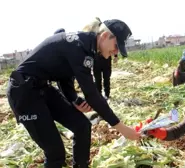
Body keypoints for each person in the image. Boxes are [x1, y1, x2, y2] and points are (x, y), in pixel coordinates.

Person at [6, 18, 139, 168]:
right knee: (55, 153)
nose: (116, 52)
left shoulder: (86, 47)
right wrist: (121, 128)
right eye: (116, 46)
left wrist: (74, 100)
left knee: (82, 126)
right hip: (24, 93)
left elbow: (64, 78)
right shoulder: (79, 47)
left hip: (42, 88)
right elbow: (92, 95)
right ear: (104, 36)